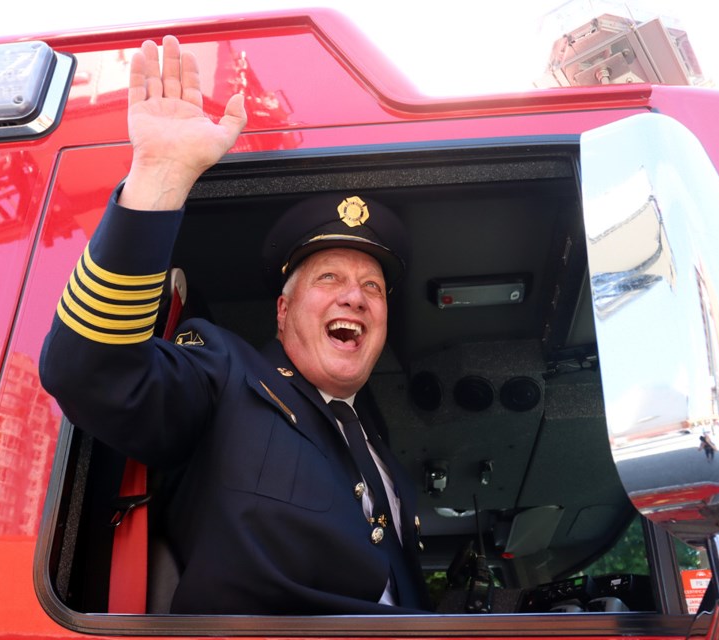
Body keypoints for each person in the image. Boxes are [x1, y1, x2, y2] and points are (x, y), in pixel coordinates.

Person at [38, 35, 432, 615]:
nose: (355, 297)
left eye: (372, 287)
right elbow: (90, 369)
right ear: (282, 310)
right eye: (328, 279)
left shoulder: (383, 455)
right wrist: (161, 177)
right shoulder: (226, 373)